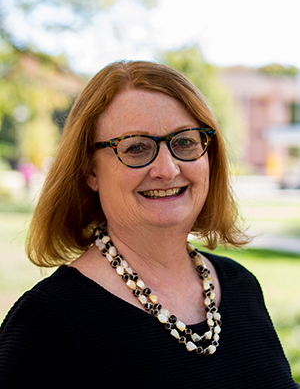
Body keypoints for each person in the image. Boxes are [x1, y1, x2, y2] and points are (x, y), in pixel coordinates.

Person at [0, 60, 298, 389]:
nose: (167, 169)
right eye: (137, 148)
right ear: (90, 171)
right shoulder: (50, 321)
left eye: (184, 142)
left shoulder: (241, 286)